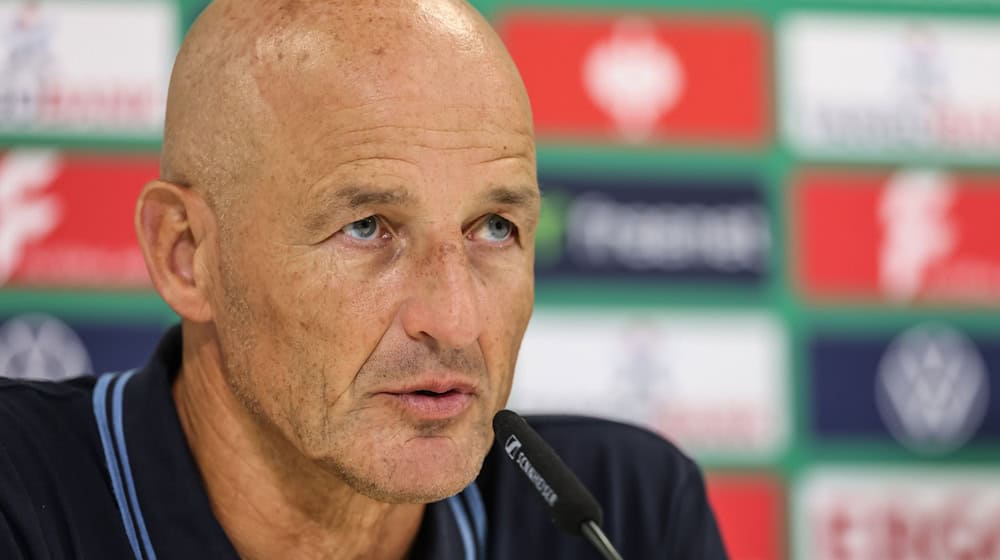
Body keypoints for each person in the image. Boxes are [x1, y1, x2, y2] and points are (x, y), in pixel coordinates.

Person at [0, 0, 728, 558]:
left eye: (494, 228)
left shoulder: (625, 514)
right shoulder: (20, 494)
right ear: (187, 253)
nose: (455, 319)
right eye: (367, 227)